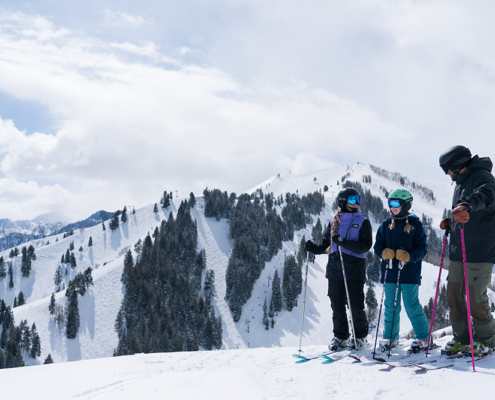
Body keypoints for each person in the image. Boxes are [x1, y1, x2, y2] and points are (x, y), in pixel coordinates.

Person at [439, 145, 495, 355]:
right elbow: (464, 214)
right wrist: (451, 222)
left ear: (457, 164)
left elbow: (485, 197)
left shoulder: (483, 177)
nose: (447, 174)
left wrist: (467, 205)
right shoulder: (460, 182)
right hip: (458, 251)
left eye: (448, 169)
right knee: (453, 296)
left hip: (478, 252)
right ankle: (461, 338)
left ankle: (486, 339)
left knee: (475, 299)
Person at [305, 187, 372, 351]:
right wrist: (314, 248)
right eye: (352, 200)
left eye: (358, 200)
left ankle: (360, 337)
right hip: (335, 269)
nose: (356, 204)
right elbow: (326, 245)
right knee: (337, 305)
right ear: (342, 202)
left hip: (354, 270)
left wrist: (343, 241)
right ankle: (341, 337)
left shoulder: (363, 222)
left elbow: (365, 246)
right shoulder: (333, 222)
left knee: (355, 305)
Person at [373, 189, 430, 354]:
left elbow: (422, 248)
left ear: (406, 204)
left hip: (409, 273)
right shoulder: (386, 224)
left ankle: (423, 337)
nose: (393, 206)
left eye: (396, 203)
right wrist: (383, 253)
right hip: (390, 272)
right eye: (390, 203)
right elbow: (378, 246)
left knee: (411, 305)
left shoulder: (415, 224)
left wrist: (410, 256)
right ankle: (390, 337)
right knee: (391, 306)